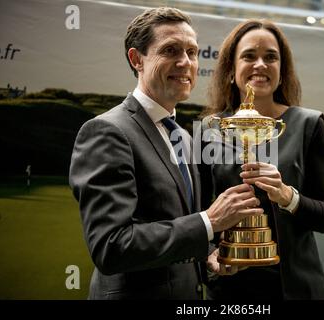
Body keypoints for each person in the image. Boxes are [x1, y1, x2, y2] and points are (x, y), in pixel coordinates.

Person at [69, 7, 263, 300]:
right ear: (137, 59)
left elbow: (182, 228)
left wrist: (208, 257)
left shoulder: (184, 137)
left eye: (192, 52)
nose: (185, 62)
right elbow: (111, 247)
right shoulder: (106, 132)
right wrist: (209, 221)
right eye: (171, 50)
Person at [200, 19, 324, 299]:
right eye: (249, 56)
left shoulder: (308, 124)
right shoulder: (208, 129)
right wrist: (210, 256)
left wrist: (288, 196)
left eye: (271, 57)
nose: (260, 64)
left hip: (294, 289)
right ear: (230, 70)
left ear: (282, 71)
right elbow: (196, 214)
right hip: (230, 289)